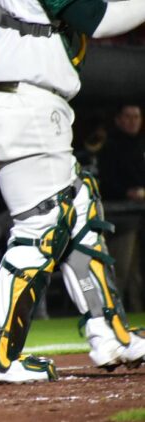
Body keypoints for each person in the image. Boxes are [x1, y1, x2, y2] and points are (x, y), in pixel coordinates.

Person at [0, 0, 145, 383]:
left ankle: (109, 332)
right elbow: (98, 19)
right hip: (25, 102)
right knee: (42, 225)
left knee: (78, 206)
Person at [98, 104, 145, 313]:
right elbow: (107, 181)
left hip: (138, 216)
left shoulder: (141, 145)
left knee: (136, 273)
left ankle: (135, 313)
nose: (133, 120)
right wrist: (128, 192)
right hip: (120, 218)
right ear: (118, 120)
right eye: (128, 116)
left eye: (136, 116)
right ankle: (111, 313)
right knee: (121, 270)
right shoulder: (109, 147)